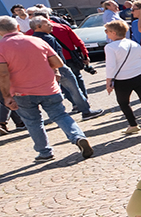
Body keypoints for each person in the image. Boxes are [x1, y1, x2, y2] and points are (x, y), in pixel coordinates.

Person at [0, 15, 93, 162]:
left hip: (21, 91)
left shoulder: (2, 47)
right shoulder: (37, 40)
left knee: (33, 122)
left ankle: (45, 151)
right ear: (18, 27)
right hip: (48, 87)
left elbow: (3, 74)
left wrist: (6, 96)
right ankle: (78, 136)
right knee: (61, 115)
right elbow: (57, 62)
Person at [27, 16, 103, 120]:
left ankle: (59, 114)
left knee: (54, 92)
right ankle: (86, 111)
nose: (50, 25)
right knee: (74, 89)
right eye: (47, 24)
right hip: (59, 67)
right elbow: (52, 56)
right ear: (38, 26)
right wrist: (56, 69)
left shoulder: (32, 39)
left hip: (44, 69)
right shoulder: (48, 38)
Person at [102, 19, 141, 134]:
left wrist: (109, 80)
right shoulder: (133, 43)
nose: (106, 33)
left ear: (113, 32)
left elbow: (111, 65)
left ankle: (133, 125)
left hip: (123, 79)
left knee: (123, 102)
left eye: (106, 31)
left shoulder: (110, 47)